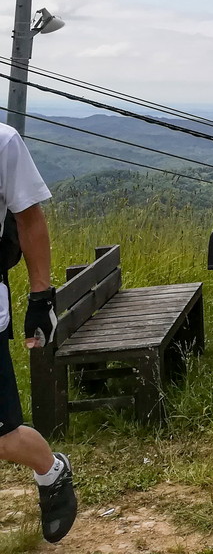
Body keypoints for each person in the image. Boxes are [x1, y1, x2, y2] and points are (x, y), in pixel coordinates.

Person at [0, 124, 77, 543]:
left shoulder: (3, 142)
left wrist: (41, 298)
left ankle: (51, 470)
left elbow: (29, 219)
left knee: (3, 437)